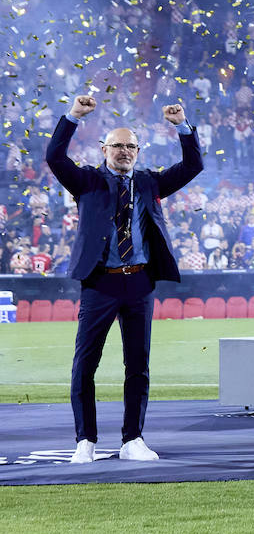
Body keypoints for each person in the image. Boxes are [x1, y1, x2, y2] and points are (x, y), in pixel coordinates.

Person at [46, 94, 203, 463]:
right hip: (100, 282)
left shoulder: (151, 183)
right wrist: (73, 116)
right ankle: (85, 439)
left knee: (138, 364)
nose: (124, 151)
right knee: (85, 363)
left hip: (140, 283)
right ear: (104, 149)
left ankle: (133, 439)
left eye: (131, 146)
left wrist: (182, 125)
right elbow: (54, 157)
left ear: (138, 150)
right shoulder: (85, 181)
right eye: (117, 145)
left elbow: (193, 164)